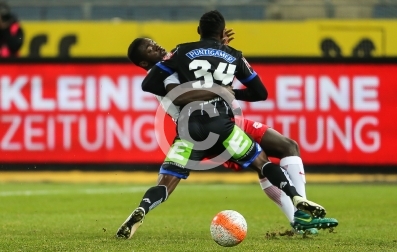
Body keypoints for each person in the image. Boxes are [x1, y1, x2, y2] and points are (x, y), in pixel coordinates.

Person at [116, 10, 336, 239]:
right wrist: (221, 68)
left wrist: (217, 50)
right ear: (143, 61)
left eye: (154, 43)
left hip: (193, 129)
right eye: (151, 48)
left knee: (285, 147)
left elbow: (193, 67)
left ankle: (143, 208)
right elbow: (182, 93)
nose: (158, 47)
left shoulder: (176, 58)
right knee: (267, 160)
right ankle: (298, 206)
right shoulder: (167, 73)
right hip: (222, 122)